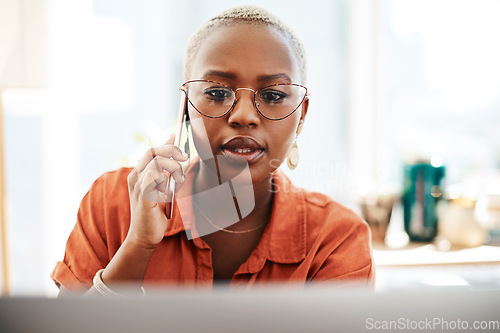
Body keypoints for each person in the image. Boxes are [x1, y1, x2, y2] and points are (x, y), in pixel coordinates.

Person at [51, 5, 373, 296]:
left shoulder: (335, 239)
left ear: (301, 115)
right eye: (217, 92)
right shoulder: (111, 204)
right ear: (186, 107)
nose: (244, 116)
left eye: (273, 95)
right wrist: (137, 246)